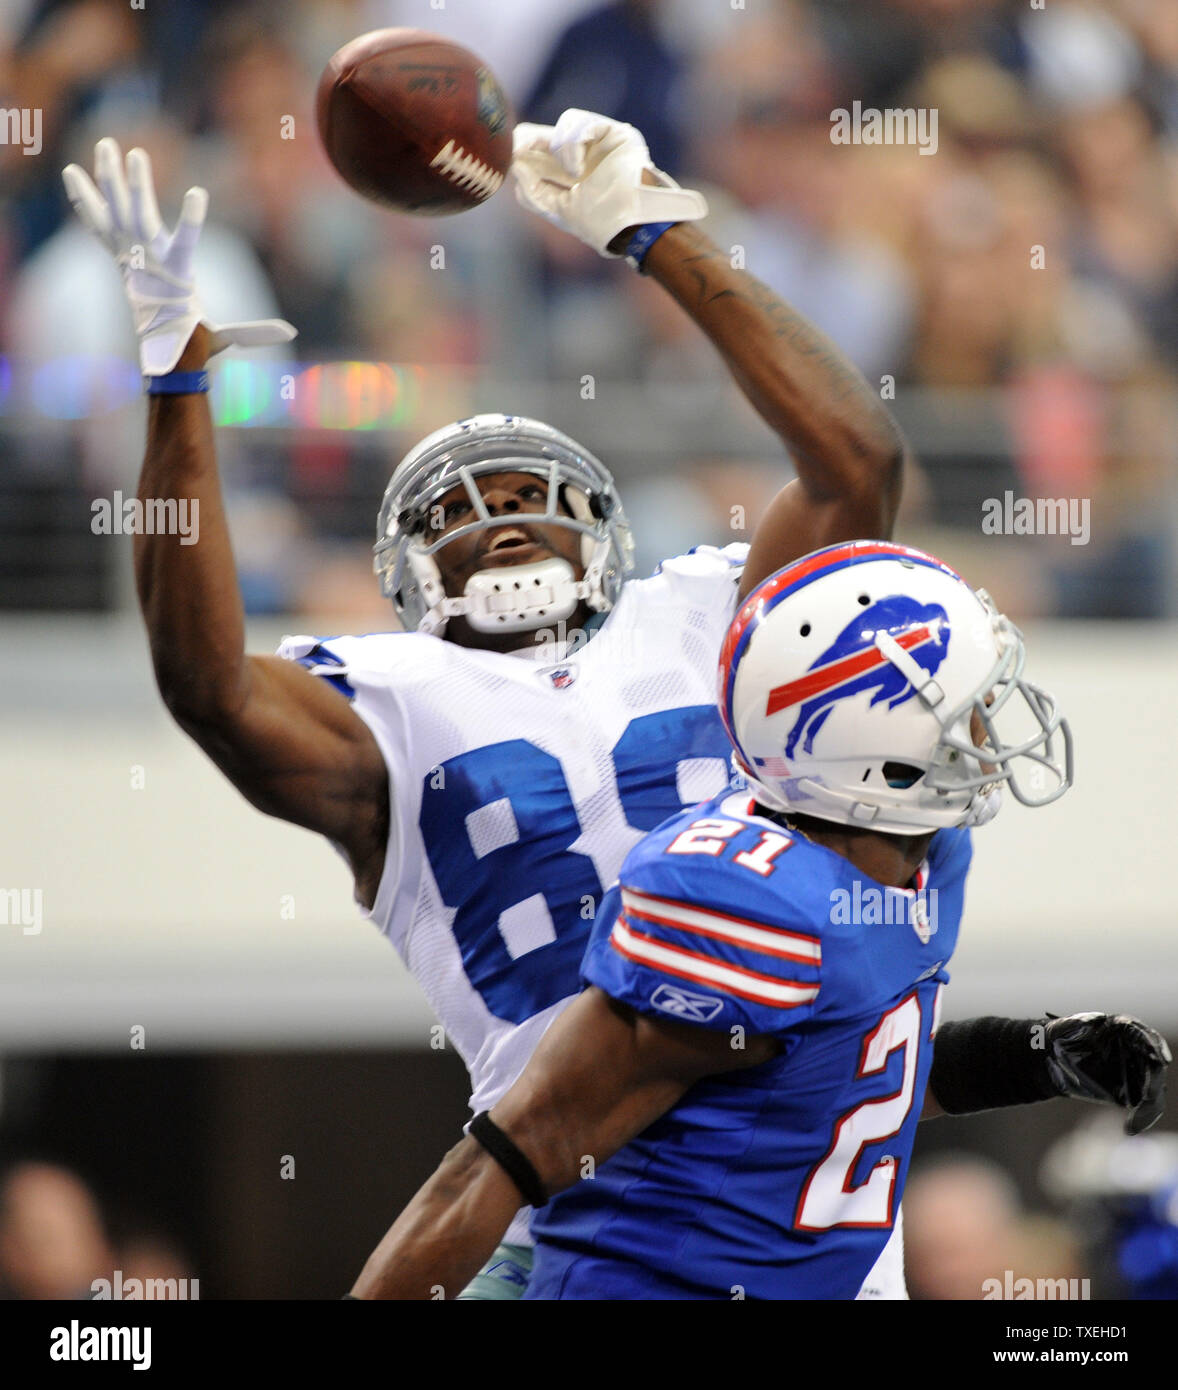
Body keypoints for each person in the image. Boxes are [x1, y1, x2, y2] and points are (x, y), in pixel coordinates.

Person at [61, 111, 1167, 1301]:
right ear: (403, 566)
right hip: (553, 1186)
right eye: (461, 511)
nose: (500, 520)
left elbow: (854, 464)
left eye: (529, 494)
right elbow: (206, 684)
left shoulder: (709, 619)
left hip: (787, 1154)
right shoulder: (385, 699)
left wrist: (658, 233)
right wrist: (177, 383)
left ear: (602, 524)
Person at [348, 542, 1168, 1300]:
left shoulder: (925, 857)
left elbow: (838, 1077)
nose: (992, 726)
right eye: (968, 705)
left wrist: (1032, 1057)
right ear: (874, 743)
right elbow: (513, 1151)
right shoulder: (745, 905)